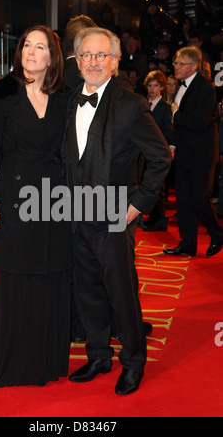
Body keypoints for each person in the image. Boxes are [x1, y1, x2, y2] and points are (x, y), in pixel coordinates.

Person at [63, 27, 171, 395]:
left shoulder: (131, 105)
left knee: (120, 291)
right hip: (74, 212)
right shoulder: (68, 101)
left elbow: (160, 159)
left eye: (100, 56)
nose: (93, 62)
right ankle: (98, 355)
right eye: (86, 55)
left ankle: (133, 361)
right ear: (77, 61)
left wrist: (137, 205)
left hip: (113, 214)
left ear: (114, 61)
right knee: (88, 289)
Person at [0, 25, 72, 387]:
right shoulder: (4, 90)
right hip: (14, 197)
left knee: (51, 272)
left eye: (39, 46)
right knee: (14, 273)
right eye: (27, 45)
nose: (30, 51)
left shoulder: (64, 97)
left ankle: (45, 360)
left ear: (52, 57)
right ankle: (10, 362)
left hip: (55, 198)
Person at [163, 46, 223, 257]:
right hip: (184, 154)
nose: (176, 67)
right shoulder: (182, 87)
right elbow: (178, 126)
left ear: (193, 66)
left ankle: (217, 234)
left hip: (202, 156)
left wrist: (176, 113)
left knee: (198, 199)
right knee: (183, 202)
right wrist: (172, 145)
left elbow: (198, 123)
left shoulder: (206, 89)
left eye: (180, 64)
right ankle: (188, 243)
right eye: (175, 63)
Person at [143, 70, 173, 232]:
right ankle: (152, 217)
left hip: (157, 153)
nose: (152, 89)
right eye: (149, 85)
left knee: (158, 188)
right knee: (147, 186)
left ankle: (160, 219)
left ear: (161, 87)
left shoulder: (164, 108)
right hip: (143, 153)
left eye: (155, 86)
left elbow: (169, 131)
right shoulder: (143, 105)